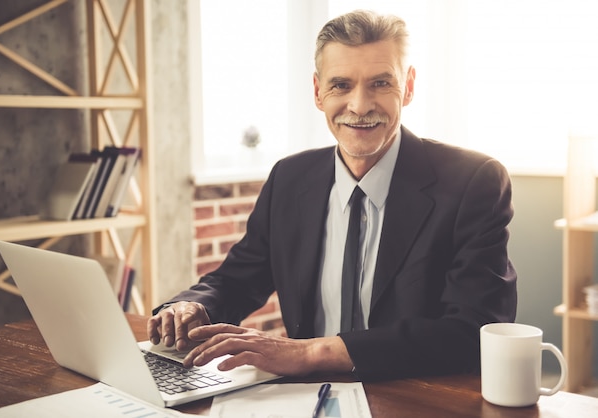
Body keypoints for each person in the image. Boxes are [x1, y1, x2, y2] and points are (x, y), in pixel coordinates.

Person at [147, 9, 517, 381]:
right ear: (317, 91)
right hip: (304, 399)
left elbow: (473, 332)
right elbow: (239, 278)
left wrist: (313, 351)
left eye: (380, 83)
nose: (359, 106)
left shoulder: (474, 182)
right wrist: (192, 305)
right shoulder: (289, 178)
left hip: (412, 394)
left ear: (408, 86)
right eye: (341, 85)